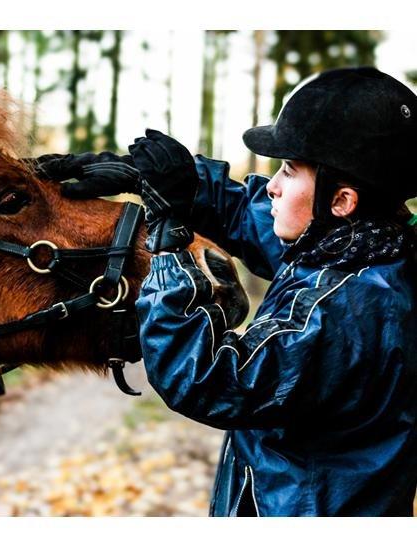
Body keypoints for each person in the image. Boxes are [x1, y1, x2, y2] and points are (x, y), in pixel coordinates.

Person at [36, 67, 417, 516]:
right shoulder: (365, 251)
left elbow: (210, 380)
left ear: (341, 200)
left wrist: (168, 241)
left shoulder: (346, 308)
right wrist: (157, 178)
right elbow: (251, 215)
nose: (272, 184)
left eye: (289, 171)